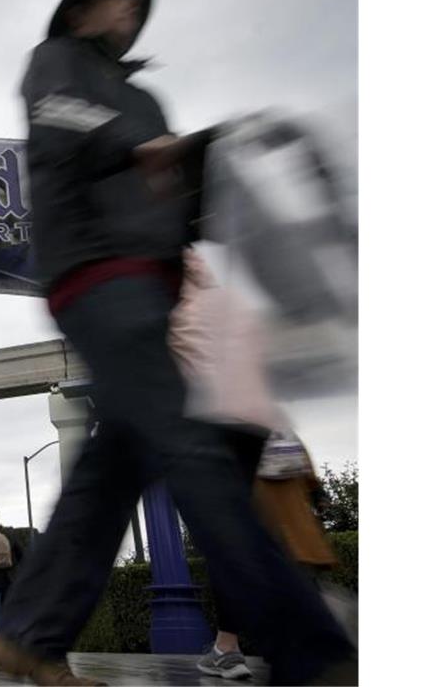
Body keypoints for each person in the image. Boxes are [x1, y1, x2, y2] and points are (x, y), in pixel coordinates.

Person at [0, 0, 357, 686]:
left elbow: (168, 194)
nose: (128, 7)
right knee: (193, 447)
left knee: (115, 462)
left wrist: (221, 172)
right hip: (94, 277)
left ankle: (30, 635)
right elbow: (61, 121)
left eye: (138, 1)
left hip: (151, 289)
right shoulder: (54, 62)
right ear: (80, 8)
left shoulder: (145, 96)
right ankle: (311, 651)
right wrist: (137, 142)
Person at [167, 250, 347, 679]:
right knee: (245, 539)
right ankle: (245, 641)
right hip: (257, 428)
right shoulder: (229, 303)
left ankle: (300, 633)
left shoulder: (170, 313)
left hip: (212, 427)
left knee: (231, 542)